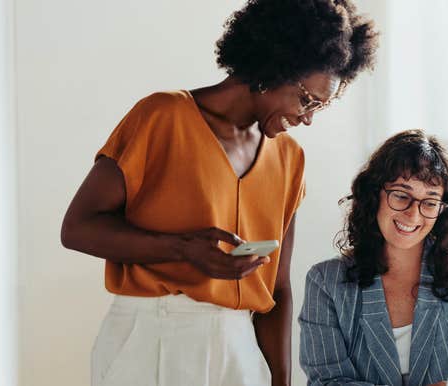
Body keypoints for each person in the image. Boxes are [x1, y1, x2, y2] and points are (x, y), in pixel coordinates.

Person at [60, 1, 378, 385]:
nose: (308, 117)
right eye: (307, 100)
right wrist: (181, 249)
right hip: (151, 337)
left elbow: (276, 287)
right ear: (272, 69)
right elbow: (77, 228)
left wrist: (281, 379)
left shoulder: (289, 158)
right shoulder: (162, 116)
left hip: (239, 346)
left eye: (321, 107)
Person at [298, 130, 448, 386]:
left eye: (429, 202)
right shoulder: (325, 282)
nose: (413, 215)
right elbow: (327, 382)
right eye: (401, 196)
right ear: (374, 195)